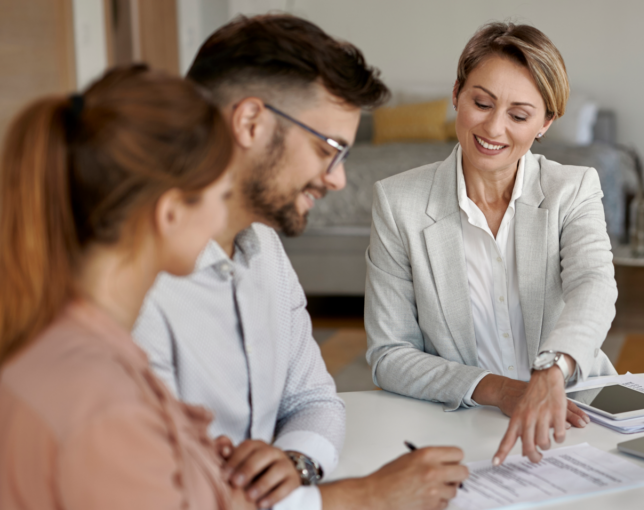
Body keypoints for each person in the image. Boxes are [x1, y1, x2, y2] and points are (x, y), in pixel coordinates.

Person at [132, 14, 467, 510]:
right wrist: (367, 496)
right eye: (327, 149)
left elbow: (313, 400)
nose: (338, 180)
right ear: (250, 122)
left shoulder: (264, 248)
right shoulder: (134, 287)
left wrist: (295, 463)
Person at [364, 22, 618, 467]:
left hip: (574, 415)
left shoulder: (573, 188)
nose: (494, 128)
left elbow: (593, 284)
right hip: (458, 421)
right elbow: (389, 355)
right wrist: (499, 389)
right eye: (481, 103)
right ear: (457, 93)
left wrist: (551, 372)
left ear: (546, 122)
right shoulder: (398, 201)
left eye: (519, 115)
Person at [0, 65, 241, 508]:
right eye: (222, 197)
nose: (225, 221)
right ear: (170, 213)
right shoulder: (102, 404)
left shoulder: (70, 345)